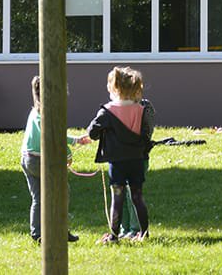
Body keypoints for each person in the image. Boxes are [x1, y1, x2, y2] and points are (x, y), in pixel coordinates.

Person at [88, 66, 155, 244]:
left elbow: (92, 132)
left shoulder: (107, 111)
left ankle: (114, 235)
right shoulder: (140, 109)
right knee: (137, 196)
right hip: (137, 160)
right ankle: (144, 233)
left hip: (117, 162)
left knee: (117, 197)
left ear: (114, 87)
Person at [21, 75, 90, 243]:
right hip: (40, 160)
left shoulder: (36, 110)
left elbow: (56, 133)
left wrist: (75, 140)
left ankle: (37, 234)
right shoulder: (48, 112)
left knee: (38, 198)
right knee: (61, 193)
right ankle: (60, 230)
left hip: (27, 158)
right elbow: (54, 135)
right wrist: (67, 154)